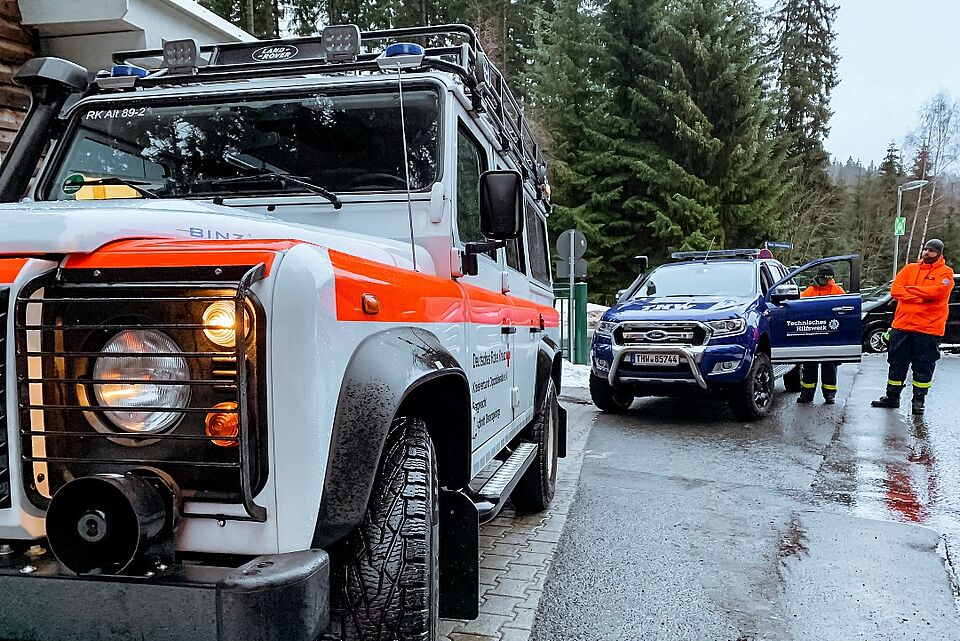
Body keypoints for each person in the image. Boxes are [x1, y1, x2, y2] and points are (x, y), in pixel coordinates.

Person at [872, 238, 954, 414]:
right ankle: (892, 397)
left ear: (939, 253)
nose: (927, 252)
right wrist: (921, 296)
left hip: (928, 330)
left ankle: (919, 401)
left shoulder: (946, 273)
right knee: (896, 363)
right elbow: (895, 290)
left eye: (931, 250)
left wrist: (909, 291)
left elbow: (937, 292)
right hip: (902, 326)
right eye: (925, 249)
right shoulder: (910, 268)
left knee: (923, 366)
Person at [797, 265, 846, 404]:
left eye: (829, 278)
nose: (827, 281)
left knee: (829, 365)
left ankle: (829, 394)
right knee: (809, 365)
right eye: (824, 278)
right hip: (813, 333)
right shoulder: (810, 291)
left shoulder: (837, 290)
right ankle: (807, 394)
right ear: (819, 277)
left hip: (830, 334)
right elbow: (799, 307)